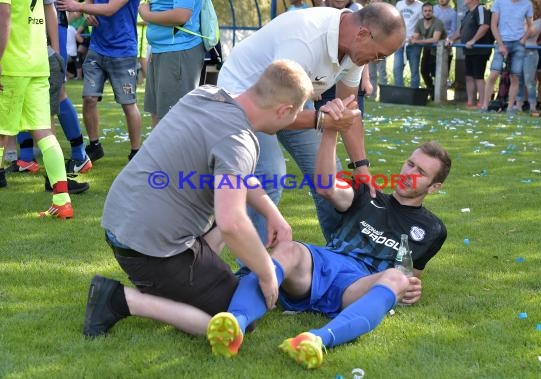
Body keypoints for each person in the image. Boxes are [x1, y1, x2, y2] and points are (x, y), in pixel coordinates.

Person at [81, 60, 314, 338]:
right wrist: (266, 272)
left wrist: (271, 212)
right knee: (235, 320)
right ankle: (121, 299)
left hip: (123, 222)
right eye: (297, 112)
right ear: (284, 110)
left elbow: (234, 172)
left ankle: (184, 280)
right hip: (150, 249)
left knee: (224, 208)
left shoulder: (205, 95)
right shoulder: (238, 140)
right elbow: (232, 223)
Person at [206, 138, 452, 369]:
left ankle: (315, 340)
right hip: (323, 265)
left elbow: (410, 274)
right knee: (289, 249)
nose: (409, 174)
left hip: (358, 285)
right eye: (410, 164)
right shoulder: (368, 193)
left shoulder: (432, 230)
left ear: (434, 187)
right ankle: (234, 324)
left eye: (421, 172)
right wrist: (330, 131)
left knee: (396, 279)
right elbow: (326, 186)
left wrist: (411, 288)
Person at [217, 3, 406, 244]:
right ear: (362, 34)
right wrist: (323, 119)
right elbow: (273, 113)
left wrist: (361, 167)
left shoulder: (354, 49)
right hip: (243, 100)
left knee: (332, 180)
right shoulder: (304, 40)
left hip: (288, 98)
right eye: (379, 55)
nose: (377, 61)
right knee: (270, 174)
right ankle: (255, 271)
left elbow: (348, 109)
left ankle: (341, 258)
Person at [0, 0, 73, 217]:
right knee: (43, 131)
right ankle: (62, 201)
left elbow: (4, 19)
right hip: (37, 64)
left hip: (12, 66)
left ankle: (62, 201)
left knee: (2, 133)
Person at [56, 0, 142, 161]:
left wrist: (79, 6)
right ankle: (95, 146)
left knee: (128, 103)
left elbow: (110, 9)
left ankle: (136, 152)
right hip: (97, 49)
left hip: (123, 51)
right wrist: (88, 14)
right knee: (89, 99)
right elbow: (90, 4)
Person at [138, 0, 205, 127]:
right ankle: (158, 147)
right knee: (158, 114)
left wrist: (146, 15)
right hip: (160, 50)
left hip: (177, 50)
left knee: (173, 118)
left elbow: (181, 15)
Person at [480, 0, 533, 114]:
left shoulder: (527, 4)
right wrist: (500, 44)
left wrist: (524, 39)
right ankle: (484, 106)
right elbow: (493, 25)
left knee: (515, 77)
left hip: (518, 44)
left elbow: (530, 25)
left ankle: (509, 108)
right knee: (493, 74)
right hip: (502, 41)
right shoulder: (499, 2)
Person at [446, 0, 492, 109]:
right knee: (469, 77)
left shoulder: (480, 9)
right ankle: (470, 102)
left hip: (480, 50)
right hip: (469, 51)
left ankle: (482, 103)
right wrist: (451, 39)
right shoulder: (468, 13)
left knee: (478, 77)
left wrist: (473, 40)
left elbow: (484, 26)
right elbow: (461, 31)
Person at [411, 2, 446, 99]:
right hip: (427, 50)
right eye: (425, 11)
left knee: (437, 74)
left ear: (433, 12)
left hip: (441, 51)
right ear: (422, 12)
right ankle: (432, 92)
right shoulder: (419, 22)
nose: (427, 13)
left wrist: (417, 41)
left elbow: (435, 39)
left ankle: (438, 97)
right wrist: (410, 39)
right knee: (423, 71)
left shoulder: (438, 22)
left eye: (430, 11)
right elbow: (415, 36)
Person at [516, 0, 541, 116]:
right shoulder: (520, 20)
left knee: (529, 80)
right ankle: (518, 106)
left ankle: (533, 106)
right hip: (519, 52)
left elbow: (531, 33)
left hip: (531, 53)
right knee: (519, 80)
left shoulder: (539, 21)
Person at [393, 0, 423, 88]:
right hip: (400, 43)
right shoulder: (399, 4)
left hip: (414, 43)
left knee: (414, 71)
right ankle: (399, 92)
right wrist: (398, 37)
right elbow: (395, 22)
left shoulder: (420, 6)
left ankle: (414, 95)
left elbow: (422, 24)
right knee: (397, 68)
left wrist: (414, 37)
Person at [433, 0, 456, 78]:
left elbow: (453, 30)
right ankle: (430, 89)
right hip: (431, 45)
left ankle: (442, 89)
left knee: (443, 73)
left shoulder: (453, 13)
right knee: (425, 70)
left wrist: (446, 40)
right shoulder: (432, 9)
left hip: (445, 46)